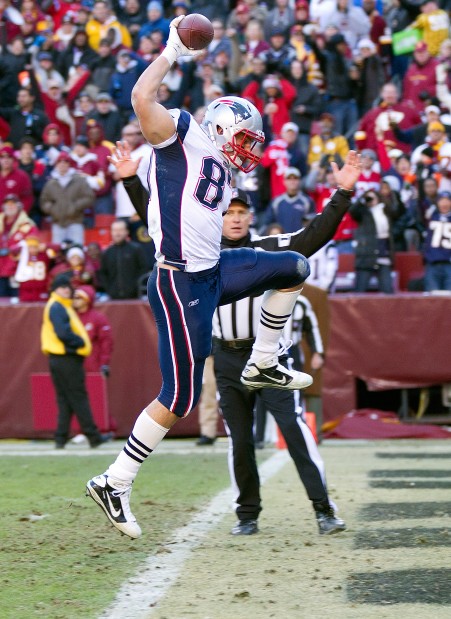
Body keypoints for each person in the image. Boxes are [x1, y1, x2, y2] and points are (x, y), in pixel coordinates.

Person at [86, 16, 362, 539]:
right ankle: (115, 480)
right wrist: (171, 50)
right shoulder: (182, 139)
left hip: (211, 272)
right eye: (244, 137)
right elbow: (143, 100)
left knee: (294, 267)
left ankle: (262, 363)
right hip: (178, 283)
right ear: (217, 127)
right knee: (180, 398)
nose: (250, 148)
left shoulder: (221, 164)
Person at [40, 273, 112, 449]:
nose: (67, 290)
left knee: (65, 399)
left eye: (68, 287)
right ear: (57, 289)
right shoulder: (58, 306)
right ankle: (93, 435)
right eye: (63, 287)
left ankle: (60, 438)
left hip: (60, 358)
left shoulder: (59, 305)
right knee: (78, 397)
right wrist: (79, 343)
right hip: (66, 358)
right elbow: (63, 333)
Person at [98, 219, 149, 299]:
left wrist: (135, 286)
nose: (117, 233)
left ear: (127, 232)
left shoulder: (136, 249)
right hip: (113, 297)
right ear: (111, 232)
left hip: (135, 297)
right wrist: (109, 289)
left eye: (120, 230)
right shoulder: (107, 252)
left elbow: (144, 269)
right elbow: (103, 273)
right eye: (115, 230)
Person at [422, 190, 451, 292]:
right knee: (432, 298)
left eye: (447, 200)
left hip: (449, 264)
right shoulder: (431, 216)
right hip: (432, 262)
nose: (444, 203)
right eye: (441, 200)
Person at [196, 355, 220, 446]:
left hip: (230, 353)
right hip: (209, 356)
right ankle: (208, 433)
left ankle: (239, 432)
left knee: (235, 395)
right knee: (208, 397)